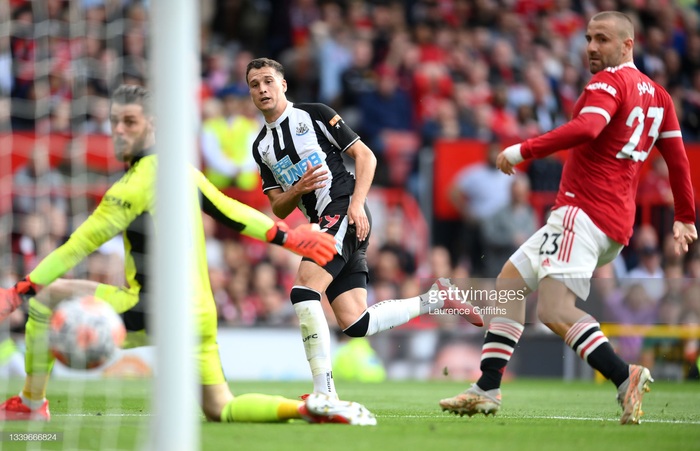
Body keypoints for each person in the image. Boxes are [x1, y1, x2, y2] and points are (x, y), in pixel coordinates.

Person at [0, 84, 376, 426]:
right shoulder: (180, 171)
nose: (119, 131)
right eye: (115, 122)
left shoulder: (134, 184)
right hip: (199, 314)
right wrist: (291, 238)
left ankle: (31, 403)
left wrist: (22, 288)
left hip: (152, 309)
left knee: (44, 300)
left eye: (130, 122)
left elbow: (77, 246)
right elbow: (232, 211)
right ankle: (311, 407)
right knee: (220, 408)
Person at [439, 11, 698, 425]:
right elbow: (678, 159)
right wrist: (684, 215)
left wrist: (523, 150)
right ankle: (487, 388)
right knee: (509, 283)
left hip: (584, 211)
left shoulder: (608, 82)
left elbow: (588, 127)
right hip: (607, 221)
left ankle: (623, 374)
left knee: (554, 311)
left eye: (604, 40)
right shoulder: (660, 97)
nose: (593, 47)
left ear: (627, 45)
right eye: (589, 38)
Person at [246, 57, 483, 398]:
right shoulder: (261, 147)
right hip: (324, 222)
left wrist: (356, 204)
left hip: (343, 208)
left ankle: (324, 392)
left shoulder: (314, 114)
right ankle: (437, 298)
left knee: (303, 291)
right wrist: (297, 190)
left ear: (283, 84)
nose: (262, 89)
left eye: (268, 80)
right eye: (255, 84)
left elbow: (366, 156)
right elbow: (278, 206)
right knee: (356, 323)